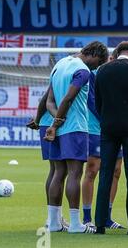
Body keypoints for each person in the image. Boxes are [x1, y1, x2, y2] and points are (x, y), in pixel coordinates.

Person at [44, 41, 109, 234]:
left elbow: (50, 99)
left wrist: (55, 122)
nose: (97, 67)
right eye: (99, 63)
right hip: (75, 128)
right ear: (95, 55)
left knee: (58, 173)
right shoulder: (83, 71)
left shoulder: (59, 64)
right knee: (74, 174)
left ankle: (54, 222)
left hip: (58, 126)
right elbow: (68, 98)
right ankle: (74, 224)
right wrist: (58, 123)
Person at [94, 41, 128, 235]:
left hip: (108, 127)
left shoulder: (102, 70)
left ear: (117, 53)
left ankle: (100, 224)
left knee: (105, 174)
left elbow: (97, 100)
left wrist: (105, 119)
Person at [81, 48, 124, 230]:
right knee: (92, 170)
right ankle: (87, 217)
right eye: (111, 58)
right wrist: (106, 119)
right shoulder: (93, 74)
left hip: (116, 128)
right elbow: (91, 100)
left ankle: (107, 216)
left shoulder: (122, 76)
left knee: (115, 170)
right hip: (96, 128)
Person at [26, 82, 68, 230]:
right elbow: (45, 99)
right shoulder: (69, 74)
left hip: (47, 123)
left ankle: (54, 218)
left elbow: (45, 99)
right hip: (53, 124)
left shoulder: (60, 73)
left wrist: (38, 120)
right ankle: (53, 219)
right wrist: (37, 120)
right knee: (60, 170)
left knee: (55, 170)